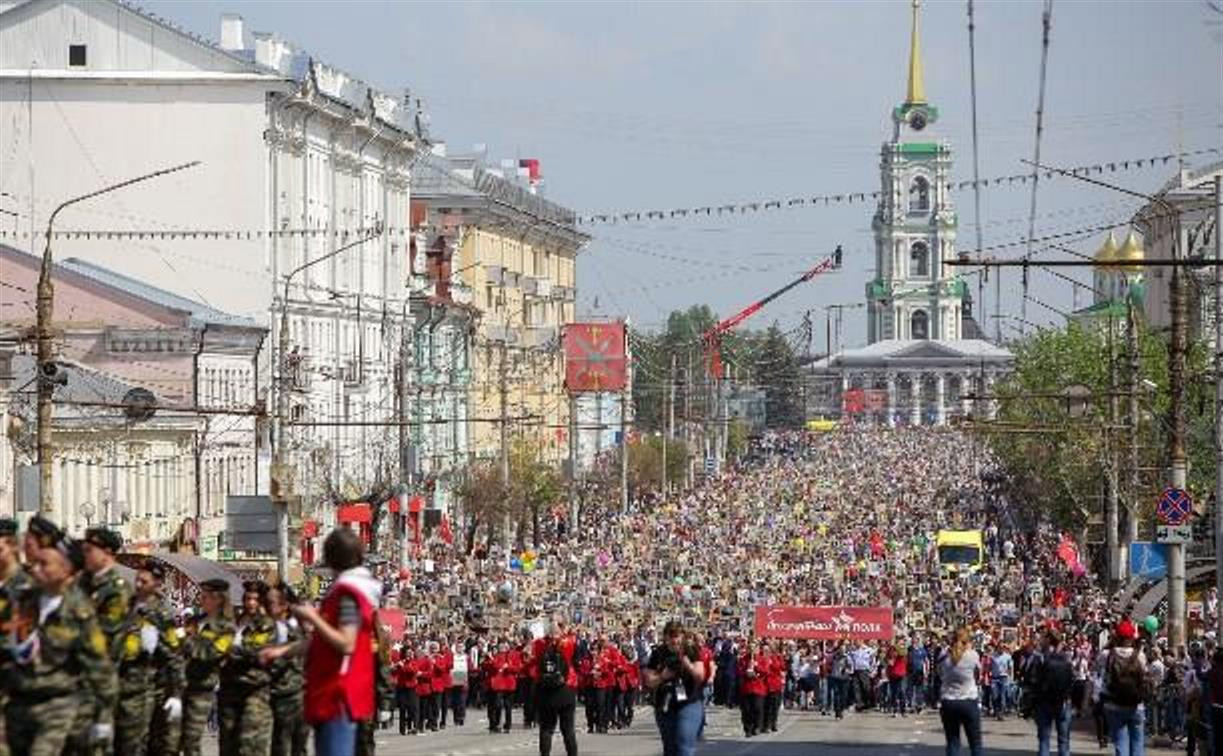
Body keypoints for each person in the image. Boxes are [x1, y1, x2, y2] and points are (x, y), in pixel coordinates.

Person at [4, 520, 117, 756]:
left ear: (66, 569)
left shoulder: (78, 610)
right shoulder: (25, 601)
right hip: (19, 703)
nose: (36, 569)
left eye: (45, 564)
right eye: (37, 563)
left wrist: (103, 718)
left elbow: (99, 666)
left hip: (57, 706)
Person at [294, 528, 382, 756]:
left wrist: (313, 617)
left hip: (338, 693)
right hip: (330, 692)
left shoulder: (347, 594)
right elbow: (325, 640)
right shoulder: (344, 591)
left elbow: (346, 643)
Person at [118, 562, 184, 756]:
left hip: (149, 686)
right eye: (137, 579)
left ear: (157, 584)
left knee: (140, 741)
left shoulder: (164, 613)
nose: (138, 584)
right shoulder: (126, 606)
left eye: (144, 581)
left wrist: (177, 693)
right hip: (123, 682)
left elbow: (175, 654)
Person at [218, 580, 276, 756]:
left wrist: (227, 650)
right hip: (229, 689)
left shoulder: (266, 624)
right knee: (228, 744)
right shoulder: (235, 621)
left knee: (250, 746)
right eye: (248, 598)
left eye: (255, 599)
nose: (250, 603)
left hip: (254, 692)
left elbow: (255, 653)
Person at [181, 578, 236, 756]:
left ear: (218, 599)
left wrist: (186, 641)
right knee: (173, 740)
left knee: (191, 740)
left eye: (205, 597)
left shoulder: (225, 627)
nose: (201, 600)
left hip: (202, 688)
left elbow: (210, 654)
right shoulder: (194, 621)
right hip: (180, 685)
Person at [644, 620, 707, 756]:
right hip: (665, 703)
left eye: (676, 636)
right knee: (670, 748)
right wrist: (663, 676)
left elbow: (700, 676)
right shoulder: (658, 653)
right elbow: (649, 680)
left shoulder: (691, 650)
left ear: (682, 636)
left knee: (684, 746)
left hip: (689, 702)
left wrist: (687, 664)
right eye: (670, 636)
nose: (674, 640)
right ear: (665, 637)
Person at [264, 583, 307, 756]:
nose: (267, 606)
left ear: (284, 605)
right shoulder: (262, 629)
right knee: (279, 746)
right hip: (273, 695)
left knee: (298, 746)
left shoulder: (300, 630)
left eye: (271, 602)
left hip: (298, 695)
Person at [1100, 618, 1147, 756]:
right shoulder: (1140, 656)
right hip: (1136, 705)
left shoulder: (1108, 655)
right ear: (1132, 638)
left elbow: (1099, 669)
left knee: (1121, 743)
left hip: (1114, 704)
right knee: (1138, 744)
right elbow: (1144, 675)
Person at [533, 615, 579, 756]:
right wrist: (564, 631)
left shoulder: (539, 644)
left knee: (546, 729)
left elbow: (532, 658)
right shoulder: (567, 642)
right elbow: (572, 644)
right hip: (565, 687)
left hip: (545, 687)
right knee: (568, 730)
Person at [938, 626, 983, 756]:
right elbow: (978, 673)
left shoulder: (944, 656)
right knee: (975, 743)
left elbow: (939, 673)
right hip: (968, 700)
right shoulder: (972, 655)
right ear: (967, 641)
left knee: (953, 742)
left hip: (948, 700)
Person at [1030, 629, 1074, 756]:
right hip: (1063, 701)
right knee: (1064, 741)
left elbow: (1033, 679)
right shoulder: (1066, 658)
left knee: (1044, 740)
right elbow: (1072, 679)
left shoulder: (1041, 657)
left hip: (1044, 701)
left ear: (1048, 640)